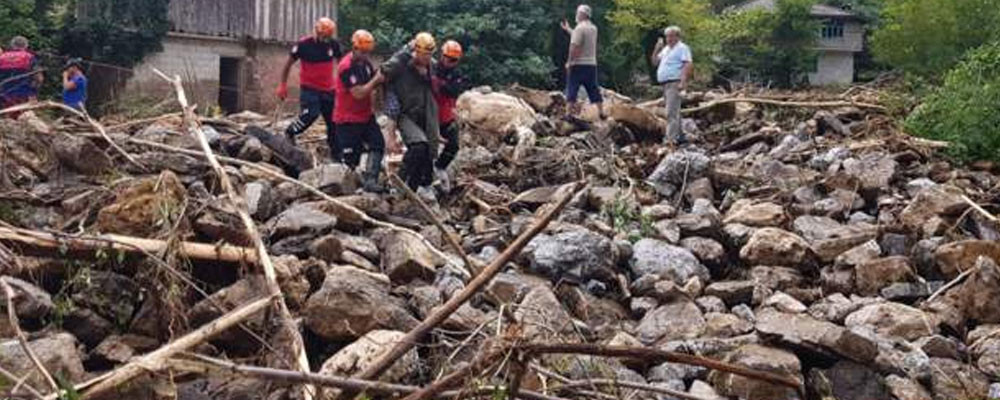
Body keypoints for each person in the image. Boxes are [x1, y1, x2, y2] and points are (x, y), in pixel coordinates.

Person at [382, 32, 440, 201]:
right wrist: (391, 137)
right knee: (418, 146)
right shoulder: (400, 66)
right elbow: (385, 70)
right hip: (405, 114)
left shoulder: (433, 67)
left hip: (425, 113)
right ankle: (397, 184)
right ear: (415, 51)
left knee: (428, 151)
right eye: (423, 55)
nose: (426, 58)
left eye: (429, 55)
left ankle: (413, 190)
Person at [334, 30, 394, 193]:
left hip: (365, 116)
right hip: (347, 119)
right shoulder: (346, 66)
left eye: (368, 52)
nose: (365, 55)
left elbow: (377, 81)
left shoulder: (366, 64)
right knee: (350, 159)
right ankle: (347, 190)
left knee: (378, 145)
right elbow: (358, 93)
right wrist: (376, 80)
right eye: (362, 51)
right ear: (354, 47)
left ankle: (371, 180)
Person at [277, 17, 343, 159]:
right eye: (323, 36)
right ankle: (290, 132)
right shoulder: (303, 45)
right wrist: (283, 85)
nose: (325, 39)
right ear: (316, 32)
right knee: (310, 114)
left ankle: (337, 155)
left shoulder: (334, 45)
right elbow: (287, 65)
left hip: (328, 89)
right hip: (309, 89)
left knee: (334, 123)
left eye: (328, 37)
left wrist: (342, 85)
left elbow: (342, 64)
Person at [431, 40, 466, 193]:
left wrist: (438, 83)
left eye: (454, 60)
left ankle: (440, 167)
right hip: (430, 114)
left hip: (446, 115)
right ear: (442, 55)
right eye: (447, 58)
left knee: (453, 145)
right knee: (426, 147)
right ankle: (423, 178)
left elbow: (453, 90)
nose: (450, 62)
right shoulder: (432, 68)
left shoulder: (456, 74)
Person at [560, 4, 605, 119]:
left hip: (578, 64)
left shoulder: (579, 28)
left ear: (581, 14)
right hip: (591, 64)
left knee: (572, 87)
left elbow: (575, 46)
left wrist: (569, 62)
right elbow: (581, 37)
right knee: (593, 88)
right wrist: (568, 30)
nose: (576, 15)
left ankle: (568, 114)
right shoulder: (593, 28)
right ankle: (601, 112)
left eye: (578, 13)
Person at [651, 26, 693, 145]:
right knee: (674, 111)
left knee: (670, 112)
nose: (668, 38)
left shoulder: (682, 48)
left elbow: (688, 64)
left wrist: (683, 82)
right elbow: (654, 62)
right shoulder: (665, 49)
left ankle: (670, 139)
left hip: (674, 81)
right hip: (665, 83)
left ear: (677, 36)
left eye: (671, 36)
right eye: (667, 36)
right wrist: (656, 49)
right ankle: (680, 136)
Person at [0, 36, 42, 113]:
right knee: (25, 119)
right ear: (26, 45)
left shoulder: (2, 57)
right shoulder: (29, 57)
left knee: (6, 119)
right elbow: (39, 78)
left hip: (4, 95)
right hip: (24, 94)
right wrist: (34, 90)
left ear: (12, 45)